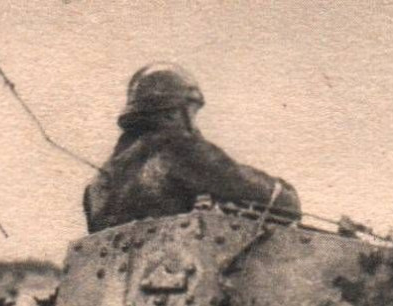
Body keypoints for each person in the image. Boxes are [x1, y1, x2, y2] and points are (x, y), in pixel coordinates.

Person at [83, 63, 301, 232]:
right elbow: (272, 198)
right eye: (192, 112)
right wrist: (284, 193)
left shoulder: (99, 183)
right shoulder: (179, 150)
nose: (194, 123)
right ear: (172, 112)